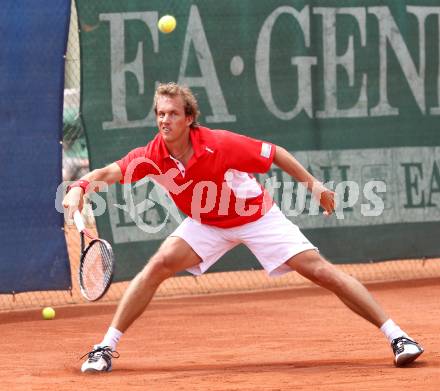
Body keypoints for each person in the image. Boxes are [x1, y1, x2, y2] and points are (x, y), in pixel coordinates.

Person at [63, 82, 423, 373]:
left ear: (189, 118)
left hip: (256, 218)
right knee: (158, 265)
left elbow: (275, 152)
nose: (164, 120)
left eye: (173, 113)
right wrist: (80, 187)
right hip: (206, 223)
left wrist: (314, 186)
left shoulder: (220, 144)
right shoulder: (153, 155)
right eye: (160, 113)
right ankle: (105, 347)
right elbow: (110, 172)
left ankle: (397, 337)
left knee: (320, 271)